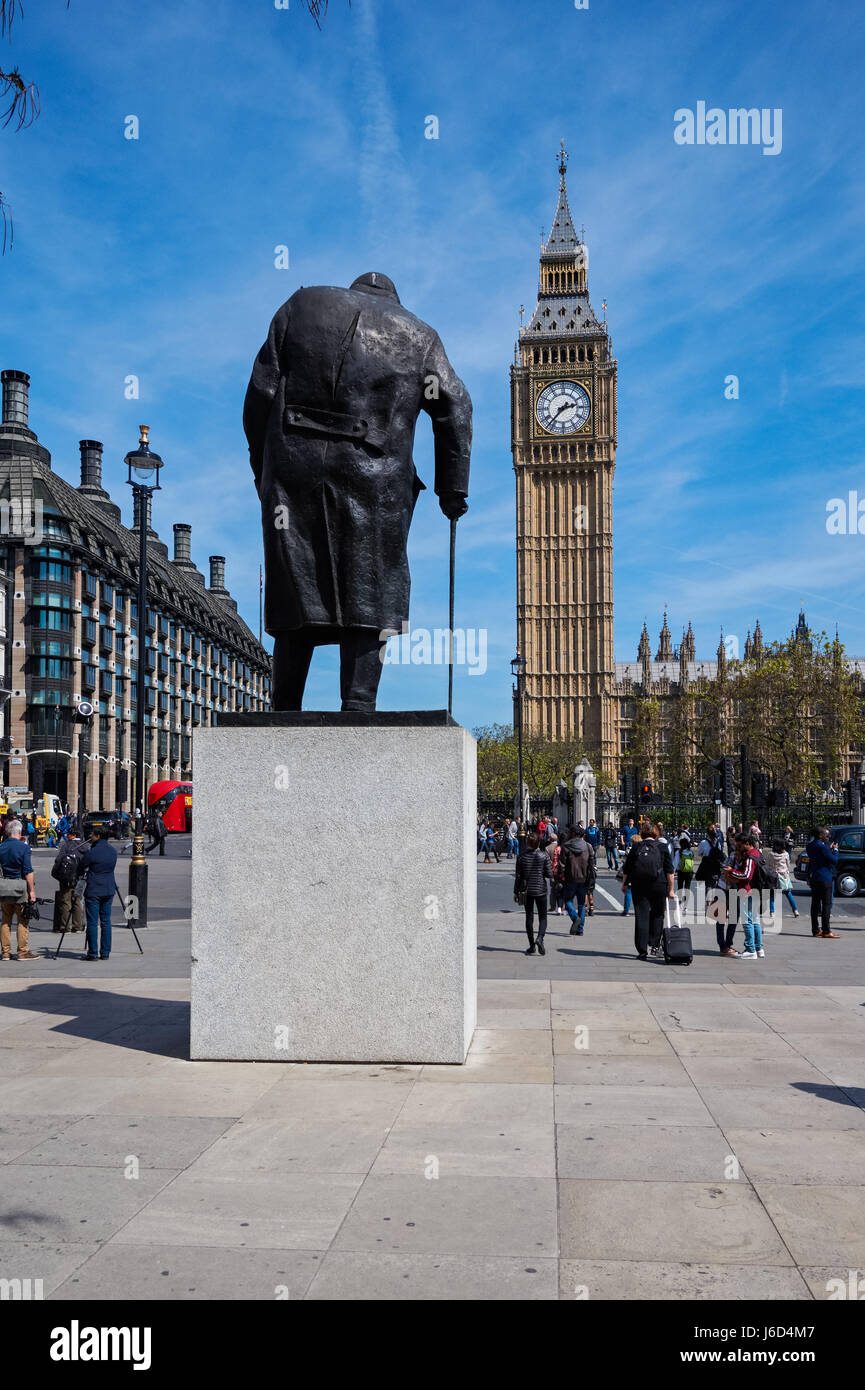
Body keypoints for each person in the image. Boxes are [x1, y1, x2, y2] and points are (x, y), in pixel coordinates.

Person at [621, 822, 675, 960]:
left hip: (639, 884)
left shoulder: (636, 847)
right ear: (655, 834)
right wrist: (671, 889)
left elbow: (627, 868)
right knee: (657, 914)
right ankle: (655, 945)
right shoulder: (662, 847)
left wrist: (624, 884)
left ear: (642, 834)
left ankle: (642, 950)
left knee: (641, 915)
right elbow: (669, 870)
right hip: (659, 884)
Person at [0, 820, 39, 961]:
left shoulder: (1, 847)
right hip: (20, 887)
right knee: (23, 920)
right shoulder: (23, 848)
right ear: (20, 832)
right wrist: (32, 891)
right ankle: (22, 951)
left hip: (4, 887)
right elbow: (28, 871)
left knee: (5, 920)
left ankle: (5, 952)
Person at [79, 828, 118, 961]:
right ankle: (105, 952)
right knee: (106, 921)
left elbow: (81, 866)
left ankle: (93, 953)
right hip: (109, 888)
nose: (91, 837)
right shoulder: (113, 851)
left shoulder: (92, 852)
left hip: (94, 889)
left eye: (93, 835)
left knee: (92, 922)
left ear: (98, 836)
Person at [724, 832, 763, 959]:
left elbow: (746, 876)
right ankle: (759, 948)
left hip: (747, 891)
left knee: (747, 921)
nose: (738, 848)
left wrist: (731, 871)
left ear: (747, 843)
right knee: (755, 920)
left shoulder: (751, 857)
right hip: (755, 890)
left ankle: (750, 949)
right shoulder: (757, 853)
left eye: (739, 845)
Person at [515, 832, 552, 956]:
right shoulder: (543, 855)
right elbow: (549, 873)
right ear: (538, 843)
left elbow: (518, 876)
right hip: (540, 889)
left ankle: (531, 945)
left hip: (527, 890)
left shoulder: (521, 856)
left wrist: (516, 891)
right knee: (543, 917)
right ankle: (540, 938)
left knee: (529, 917)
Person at [805, 827, 839, 939]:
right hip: (825, 878)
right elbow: (833, 860)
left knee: (815, 905)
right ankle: (826, 930)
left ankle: (815, 930)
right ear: (820, 835)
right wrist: (835, 850)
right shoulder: (822, 846)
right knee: (826, 905)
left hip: (815, 877)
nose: (828, 837)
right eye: (826, 835)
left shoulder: (810, 845)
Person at [51, 828, 87, 934]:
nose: (67, 836)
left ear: (72, 835)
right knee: (77, 901)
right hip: (79, 877)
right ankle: (78, 926)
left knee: (66, 901)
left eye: (68, 835)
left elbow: (58, 860)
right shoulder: (85, 846)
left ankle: (66, 926)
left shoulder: (67, 845)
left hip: (66, 878)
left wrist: (57, 873)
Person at [557, 826, 591, 936]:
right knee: (581, 904)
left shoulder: (566, 846)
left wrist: (560, 877)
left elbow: (562, 864)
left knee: (567, 902)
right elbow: (591, 864)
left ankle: (575, 918)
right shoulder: (587, 846)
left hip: (570, 878)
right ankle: (580, 929)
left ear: (572, 834)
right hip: (584, 878)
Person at [766, 836, 799, 921]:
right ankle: (795, 910)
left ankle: (772, 912)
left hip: (774, 876)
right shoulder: (786, 854)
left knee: (772, 895)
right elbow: (788, 865)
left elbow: (768, 865)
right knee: (788, 893)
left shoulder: (770, 854)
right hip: (784, 876)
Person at [549, 831, 566, 915]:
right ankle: (565, 908)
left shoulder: (557, 848)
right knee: (566, 891)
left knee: (559, 890)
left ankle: (559, 907)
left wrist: (554, 874)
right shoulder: (568, 848)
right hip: (567, 873)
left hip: (559, 873)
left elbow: (555, 862)